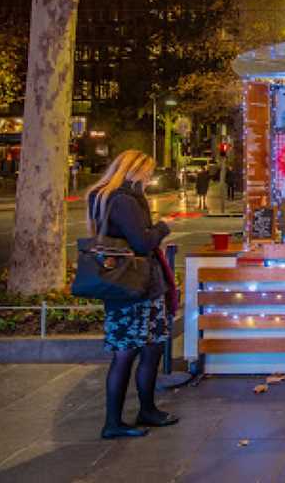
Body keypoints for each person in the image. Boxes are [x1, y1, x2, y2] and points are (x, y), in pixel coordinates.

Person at [86, 150, 179, 440]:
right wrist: (162, 226)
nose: (149, 179)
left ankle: (145, 410)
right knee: (131, 353)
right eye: (147, 173)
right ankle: (115, 422)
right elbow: (142, 242)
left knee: (144, 349)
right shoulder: (124, 200)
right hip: (137, 287)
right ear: (134, 170)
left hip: (122, 285)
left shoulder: (102, 196)